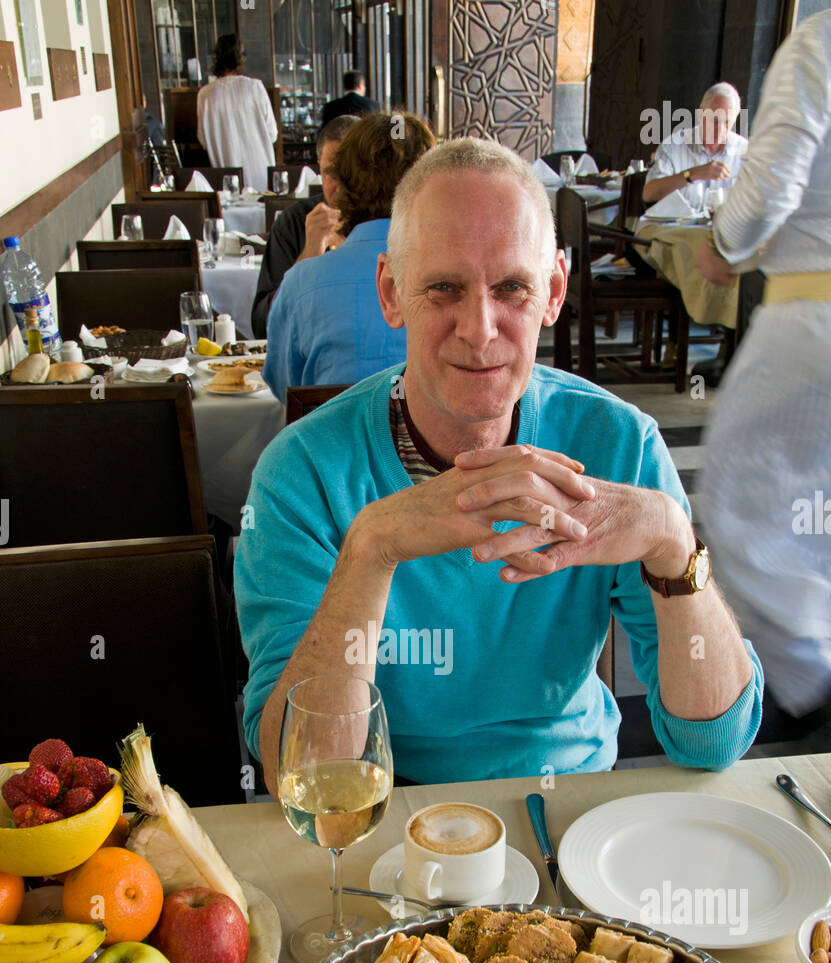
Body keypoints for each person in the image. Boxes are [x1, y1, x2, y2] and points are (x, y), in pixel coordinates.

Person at [235, 139, 762, 792]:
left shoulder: (618, 444)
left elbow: (712, 740)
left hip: (564, 804)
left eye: (511, 287)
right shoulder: (301, 472)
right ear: (392, 293)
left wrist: (672, 542)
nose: (478, 328)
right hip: (386, 813)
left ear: (552, 293)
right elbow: (301, 769)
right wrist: (372, 546)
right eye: (443, 288)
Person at [695, 10, 831, 732]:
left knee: (740, 508)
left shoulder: (818, 44)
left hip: (812, 318)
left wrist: (723, 244)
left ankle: (792, 700)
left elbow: (770, 186)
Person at [262, 112, 435, 401]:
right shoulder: (461, 278)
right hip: (443, 446)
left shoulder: (301, 283)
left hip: (331, 443)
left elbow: (286, 392)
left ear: (344, 183)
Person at [251, 115, 358, 339]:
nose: (342, 186)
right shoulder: (293, 224)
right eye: (331, 173)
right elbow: (263, 325)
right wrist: (310, 253)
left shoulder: (390, 222)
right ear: (319, 170)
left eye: (353, 172)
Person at [643, 83, 747, 211]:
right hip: (679, 228)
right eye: (714, 121)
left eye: (727, 122)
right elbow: (649, 194)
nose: (720, 129)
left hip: (723, 229)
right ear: (700, 115)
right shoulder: (674, 145)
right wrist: (692, 174)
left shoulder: (744, 151)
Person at [196, 35, 277, 192]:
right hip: (261, 176)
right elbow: (272, 134)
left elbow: (203, 140)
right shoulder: (255, 87)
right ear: (240, 59)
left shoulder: (205, 94)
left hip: (226, 179)